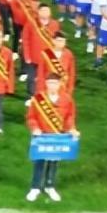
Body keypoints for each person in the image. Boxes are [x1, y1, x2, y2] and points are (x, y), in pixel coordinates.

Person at [25, 74, 79, 202]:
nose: (52, 86)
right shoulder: (38, 98)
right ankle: (35, 187)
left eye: (55, 83)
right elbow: (31, 117)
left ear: (60, 84)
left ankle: (50, 186)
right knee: (39, 161)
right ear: (46, 84)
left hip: (57, 136)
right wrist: (35, 128)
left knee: (53, 162)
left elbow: (69, 117)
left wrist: (71, 129)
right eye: (50, 83)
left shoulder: (67, 99)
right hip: (42, 137)